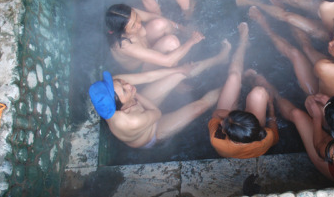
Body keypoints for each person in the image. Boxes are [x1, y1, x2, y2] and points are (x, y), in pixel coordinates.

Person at [89, 40, 230, 148]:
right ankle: (231, 84)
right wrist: (136, 95)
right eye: (125, 90)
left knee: (180, 74)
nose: (126, 84)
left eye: (121, 82)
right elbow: (156, 113)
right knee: (198, 107)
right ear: (123, 108)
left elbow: (148, 77)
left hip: (137, 103)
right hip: (152, 131)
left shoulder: (113, 87)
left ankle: (219, 58)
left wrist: (179, 69)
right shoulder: (131, 122)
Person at [249, 6, 334, 101]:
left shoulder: (323, 67)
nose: (329, 43)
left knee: (298, 51)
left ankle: (265, 26)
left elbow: (311, 54)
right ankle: (288, 16)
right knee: (307, 45)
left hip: (322, 103)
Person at [209, 23, 279, 159]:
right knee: (259, 92)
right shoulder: (266, 137)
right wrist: (270, 106)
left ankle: (243, 42)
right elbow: (274, 135)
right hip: (249, 132)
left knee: (233, 76)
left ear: (225, 132)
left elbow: (216, 114)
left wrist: (231, 116)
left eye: (224, 125)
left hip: (232, 140)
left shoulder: (217, 139)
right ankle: (244, 46)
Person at [106, 4, 203, 71]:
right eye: (133, 26)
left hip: (147, 45)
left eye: (137, 18)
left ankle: (180, 38)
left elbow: (153, 17)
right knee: (171, 41)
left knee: (160, 23)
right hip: (142, 67)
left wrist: (182, 28)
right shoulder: (125, 46)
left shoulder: (128, 15)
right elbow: (167, 61)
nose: (139, 25)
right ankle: (177, 72)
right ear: (122, 31)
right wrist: (191, 41)